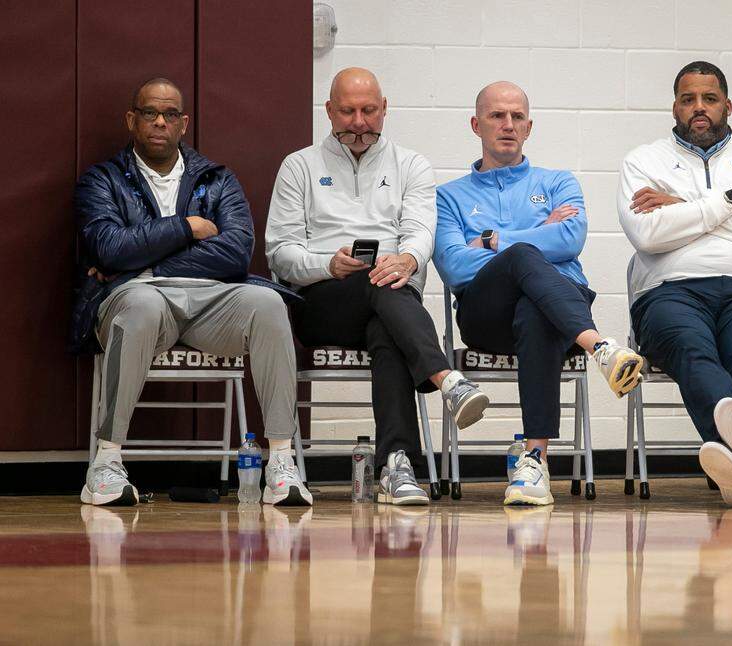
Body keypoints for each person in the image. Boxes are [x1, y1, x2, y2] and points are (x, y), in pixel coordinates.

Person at [72, 77, 311, 506]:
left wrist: (146, 263)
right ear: (132, 120)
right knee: (141, 305)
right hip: (138, 299)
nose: (159, 122)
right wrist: (186, 227)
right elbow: (107, 246)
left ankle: (280, 463)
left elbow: (237, 252)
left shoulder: (216, 179)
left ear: (184, 123)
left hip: (209, 299)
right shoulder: (102, 180)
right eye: (149, 113)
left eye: (169, 115)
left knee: (269, 302)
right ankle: (105, 464)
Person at [266, 68, 489, 506]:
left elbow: (420, 233)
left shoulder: (411, 165)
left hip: (389, 304)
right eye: (347, 112)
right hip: (322, 302)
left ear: (385, 110)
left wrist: (406, 259)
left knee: (388, 326)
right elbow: (280, 253)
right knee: (383, 289)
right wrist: (327, 264)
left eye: (369, 111)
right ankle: (445, 379)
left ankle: (396, 465)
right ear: (329, 111)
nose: (359, 122)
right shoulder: (300, 165)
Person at [434, 81, 645, 507]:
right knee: (525, 257)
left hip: (554, 314)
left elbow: (570, 240)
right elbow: (454, 266)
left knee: (536, 306)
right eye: (497, 116)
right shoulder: (448, 196)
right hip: (486, 316)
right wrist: (523, 241)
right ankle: (600, 347)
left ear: (529, 127)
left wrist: (491, 240)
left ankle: (535, 462)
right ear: (476, 124)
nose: (507, 125)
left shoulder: (558, 182)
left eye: (516, 117)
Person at [618, 61, 732, 507]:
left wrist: (686, 207)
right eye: (688, 99)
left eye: (709, 98)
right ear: (675, 107)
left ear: (727, 105)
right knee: (692, 346)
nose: (699, 108)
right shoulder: (644, 160)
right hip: (670, 290)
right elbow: (647, 233)